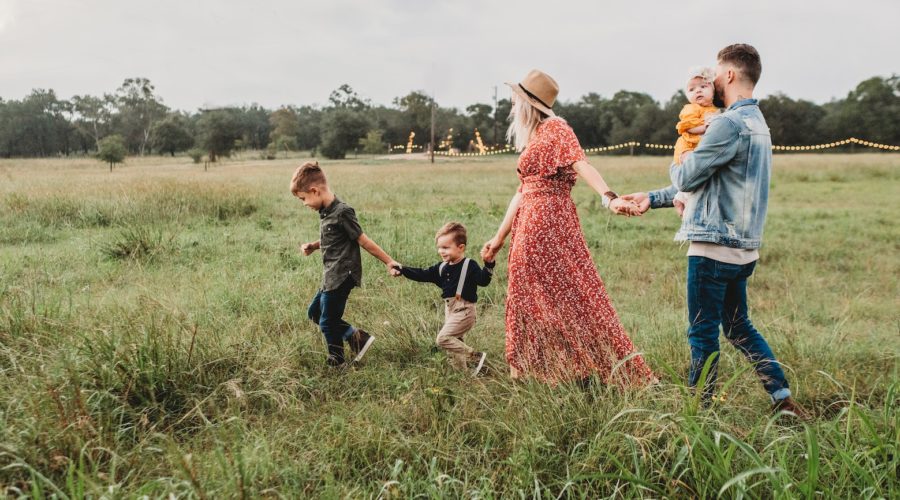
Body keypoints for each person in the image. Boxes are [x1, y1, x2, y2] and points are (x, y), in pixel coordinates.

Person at [621, 44, 808, 417]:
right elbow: (710, 182)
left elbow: (689, 175)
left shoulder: (726, 123)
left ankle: (698, 412)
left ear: (731, 75)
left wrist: (681, 159)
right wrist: (653, 198)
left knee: (702, 332)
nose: (712, 81)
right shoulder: (758, 124)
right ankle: (782, 399)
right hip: (743, 249)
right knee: (739, 327)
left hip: (712, 248)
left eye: (717, 74)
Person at [480, 69, 656, 385]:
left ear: (528, 103)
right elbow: (522, 191)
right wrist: (498, 238)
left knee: (566, 294)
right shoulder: (536, 136)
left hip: (547, 223)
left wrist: (609, 197)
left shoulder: (557, 129)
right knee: (534, 295)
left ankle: (571, 367)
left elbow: (581, 164)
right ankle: (543, 370)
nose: (511, 105)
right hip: (530, 223)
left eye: (515, 99)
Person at [291, 161, 401, 367]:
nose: (304, 204)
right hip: (330, 275)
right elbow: (333, 239)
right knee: (314, 313)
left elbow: (363, 240)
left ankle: (337, 361)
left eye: (303, 199)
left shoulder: (343, 212)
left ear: (314, 191)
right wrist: (314, 246)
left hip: (342, 275)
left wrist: (389, 262)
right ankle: (357, 338)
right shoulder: (325, 212)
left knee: (327, 321)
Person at [394, 222, 494, 375]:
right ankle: (462, 375)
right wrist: (402, 269)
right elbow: (422, 274)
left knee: (443, 339)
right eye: (439, 247)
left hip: (465, 310)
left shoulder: (469, 265)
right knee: (455, 345)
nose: (441, 251)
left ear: (461, 247)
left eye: (446, 247)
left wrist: (488, 264)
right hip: (450, 310)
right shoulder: (442, 267)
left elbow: (484, 281)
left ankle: (475, 356)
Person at [672, 66, 720, 217]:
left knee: (699, 175)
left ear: (713, 90)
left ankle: (680, 197)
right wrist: (704, 127)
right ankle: (685, 201)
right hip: (688, 145)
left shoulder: (715, 109)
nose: (698, 91)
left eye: (703, 87)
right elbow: (687, 127)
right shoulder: (691, 108)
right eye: (692, 89)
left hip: (699, 146)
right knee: (692, 169)